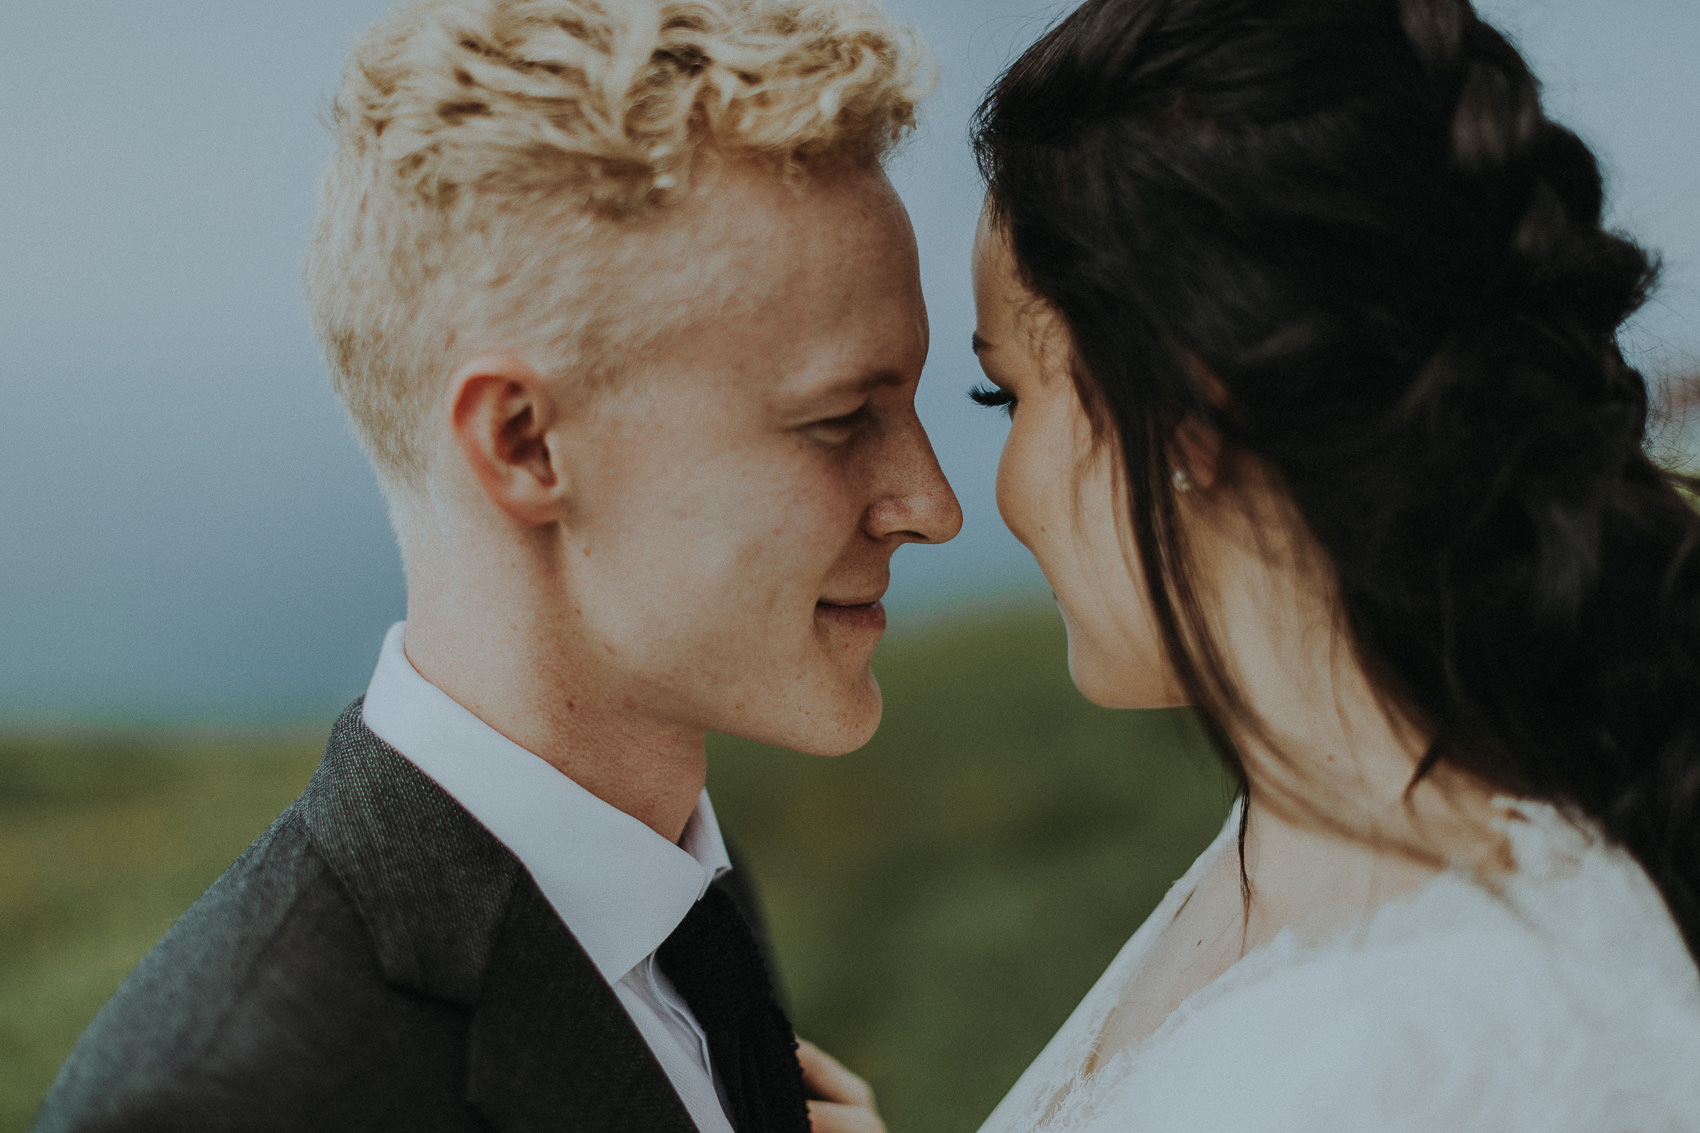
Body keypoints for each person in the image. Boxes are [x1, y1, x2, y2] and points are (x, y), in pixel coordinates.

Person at [34, 0, 959, 1130]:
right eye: (837, 418)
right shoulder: (227, 1101)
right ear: (522, 441)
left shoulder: (669, 899)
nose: (931, 503)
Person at [965, 0, 1700, 1128]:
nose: (957, 495)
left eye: (1005, 393)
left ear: (1181, 409)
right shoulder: (1289, 843)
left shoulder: (1499, 1037)